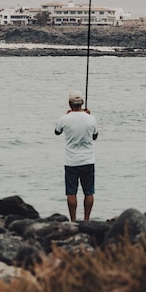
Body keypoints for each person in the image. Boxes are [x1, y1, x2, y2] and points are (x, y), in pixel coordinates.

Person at [55, 91, 98, 222]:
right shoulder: (91, 118)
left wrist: (67, 116)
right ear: (82, 104)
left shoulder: (64, 119)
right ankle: (86, 220)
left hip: (71, 162)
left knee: (71, 192)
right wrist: (87, 116)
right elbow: (94, 136)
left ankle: (73, 220)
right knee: (89, 192)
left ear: (69, 104)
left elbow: (57, 132)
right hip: (88, 160)